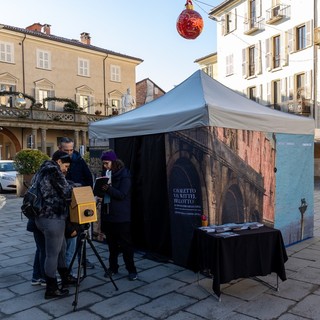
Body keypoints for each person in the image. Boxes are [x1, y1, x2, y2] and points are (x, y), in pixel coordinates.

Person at [35, 150, 76, 299]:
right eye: (65, 166)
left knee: (61, 249)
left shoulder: (43, 168)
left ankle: (65, 277)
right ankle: (51, 289)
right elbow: (66, 192)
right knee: (52, 254)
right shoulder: (54, 170)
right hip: (52, 218)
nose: (66, 169)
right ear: (59, 162)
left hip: (41, 217)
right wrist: (76, 186)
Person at [99, 150, 138, 281]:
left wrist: (107, 189)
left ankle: (131, 270)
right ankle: (113, 267)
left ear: (114, 162)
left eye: (107, 163)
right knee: (111, 245)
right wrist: (100, 192)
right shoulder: (105, 173)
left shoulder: (124, 175)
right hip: (108, 214)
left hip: (121, 216)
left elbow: (122, 194)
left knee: (126, 245)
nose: (105, 166)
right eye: (103, 163)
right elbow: (104, 191)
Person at [58, 137, 95, 270]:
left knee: (82, 234)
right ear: (59, 149)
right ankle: (65, 266)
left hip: (80, 202)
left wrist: (84, 194)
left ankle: (82, 260)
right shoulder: (57, 162)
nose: (69, 153)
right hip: (65, 206)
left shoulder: (79, 160)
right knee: (68, 237)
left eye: (71, 150)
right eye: (66, 150)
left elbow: (88, 178)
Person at [27, 218, 46, 286]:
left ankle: (36, 276)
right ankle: (45, 278)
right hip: (40, 225)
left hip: (36, 224)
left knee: (40, 249)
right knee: (44, 251)